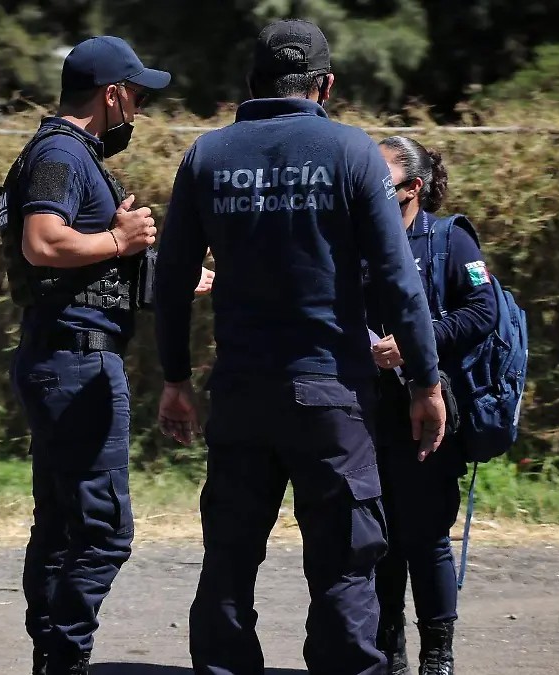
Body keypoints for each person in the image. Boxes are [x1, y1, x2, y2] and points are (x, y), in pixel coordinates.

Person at [152, 19, 448, 675]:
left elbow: (169, 279)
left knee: (228, 561)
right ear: (326, 84)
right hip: (331, 399)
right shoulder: (351, 153)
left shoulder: (207, 156)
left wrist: (174, 378)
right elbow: (398, 277)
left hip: (240, 394)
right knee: (344, 566)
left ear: (251, 82)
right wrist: (427, 385)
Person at [0, 35, 211, 675]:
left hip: (62, 353)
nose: (137, 113)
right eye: (137, 98)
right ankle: (64, 660)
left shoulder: (68, 154)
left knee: (62, 526)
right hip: (77, 363)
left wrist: (163, 276)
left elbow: (76, 272)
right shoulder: (62, 152)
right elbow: (43, 242)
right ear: (111, 94)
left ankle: (50, 657)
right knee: (103, 531)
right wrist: (119, 238)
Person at [368, 136, 497, 675]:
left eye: (380, 183)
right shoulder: (358, 241)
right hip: (367, 413)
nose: (366, 192)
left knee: (425, 539)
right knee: (379, 541)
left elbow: (483, 310)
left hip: (430, 413)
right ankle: (390, 654)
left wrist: (419, 343)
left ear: (413, 188)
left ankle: (437, 656)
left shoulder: (449, 241)